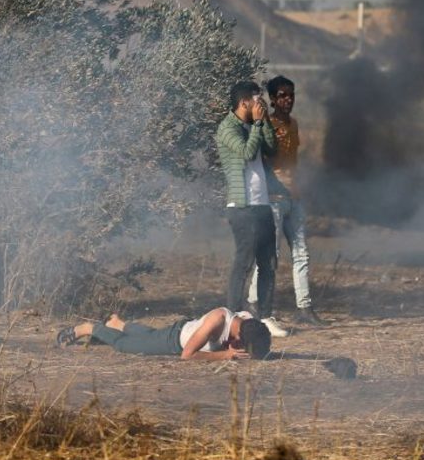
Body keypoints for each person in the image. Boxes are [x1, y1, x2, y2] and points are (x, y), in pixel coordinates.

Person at [249, 76, 327, 327]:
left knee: (301, 254)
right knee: (271, 255)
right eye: (281, 95)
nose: (287, 100)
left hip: (294, 198)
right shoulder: (265, 125)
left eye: (290, 95)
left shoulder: (293, 124)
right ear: (272, 99)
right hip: (272, 199)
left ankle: (304, 307)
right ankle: (253, 303)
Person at [215, 81, 288, 338]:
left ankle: (266, 317)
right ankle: (231, 317)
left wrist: (264, 121)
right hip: (242, 207)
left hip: (262, 203)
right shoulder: (227, 128)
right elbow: (247, 153)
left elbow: (270, 148)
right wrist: (257, 124)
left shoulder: (255, 123)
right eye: (257, 101)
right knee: (244, 262)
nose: (261, 105)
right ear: (244, 103)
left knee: (268, 262)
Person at [55, 307, 272, 361]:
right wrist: (225, 356)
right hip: (173, 342)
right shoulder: (218, 320)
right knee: (125, 345)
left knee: (148, 334)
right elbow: (187, 355)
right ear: (239, 338)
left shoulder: (247, 320)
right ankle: (88, 328)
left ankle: (117, 323)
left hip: (178, 330)